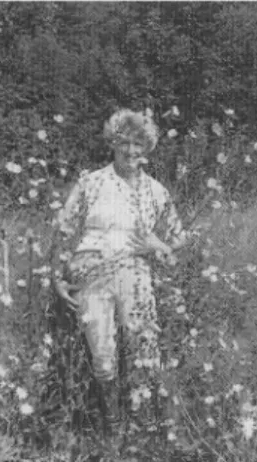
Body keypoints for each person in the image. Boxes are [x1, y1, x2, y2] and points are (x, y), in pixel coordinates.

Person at [50, 108, 187, 443]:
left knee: (144, 349)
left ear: (147, 148)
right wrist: (56, 277)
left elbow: (179, 240)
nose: (130, 151)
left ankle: (145, 426)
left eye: (138, 145)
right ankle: (113, 425)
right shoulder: (91, 183)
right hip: (90, 274)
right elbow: (63, 231)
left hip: (133, 273)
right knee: (103, 355)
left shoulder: (155, 192)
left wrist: (155, 244)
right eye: (124, 143)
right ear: (112, 143)